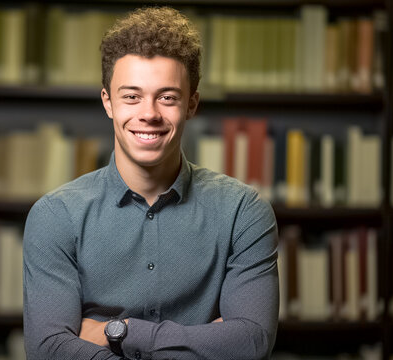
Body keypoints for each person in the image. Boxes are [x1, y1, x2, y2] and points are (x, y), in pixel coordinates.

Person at [23, 6, 278, 360]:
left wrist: (121, 331)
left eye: (167, 97)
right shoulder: (55, 216)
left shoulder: (243, 212)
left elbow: (251, 342)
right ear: (108, 103)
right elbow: (49, 349)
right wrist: (204, 339)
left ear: (191, 104)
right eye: (131, 96)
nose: (149, 113)